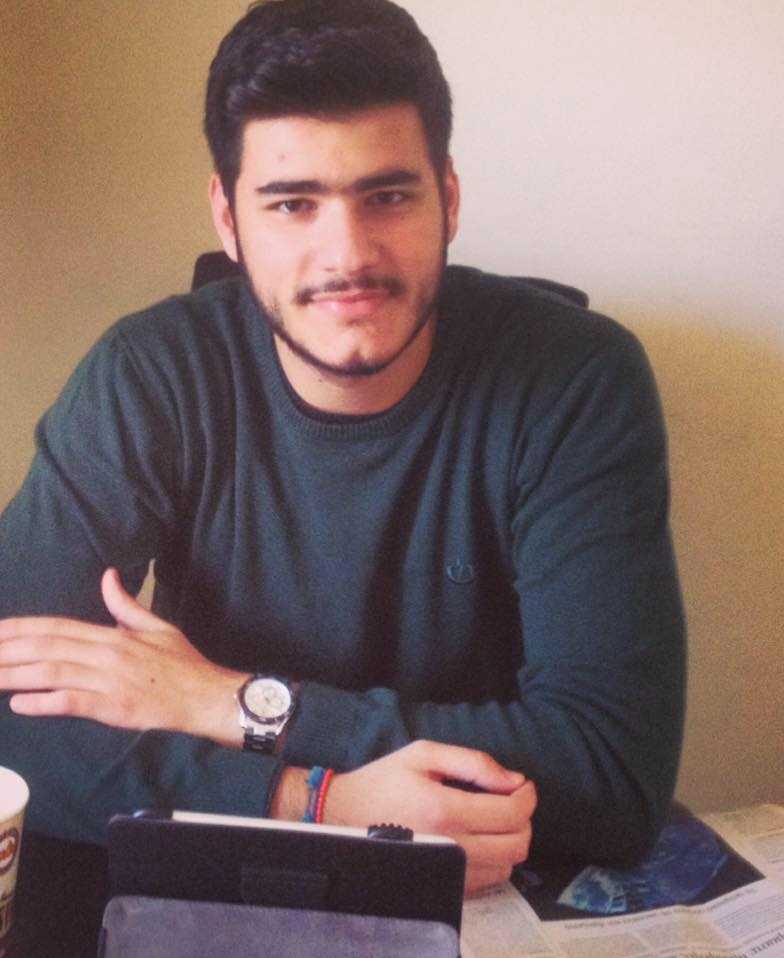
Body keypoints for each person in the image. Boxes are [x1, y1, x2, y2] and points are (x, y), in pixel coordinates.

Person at [0, 0, 685, 893]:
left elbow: (612, 774)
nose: (348, 255)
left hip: (489, 893)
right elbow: (10, 706)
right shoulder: (151, 374)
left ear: (449, 198)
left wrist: (230, 703)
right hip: (226, 875)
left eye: (387, 196)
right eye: (293, 204)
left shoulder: (576, 380)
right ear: (227, 219)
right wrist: (316, 801)